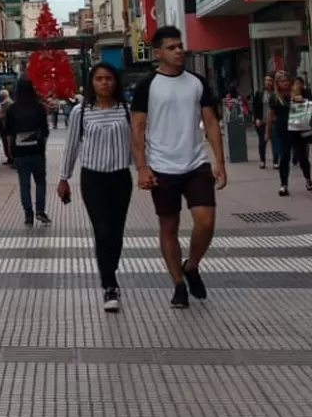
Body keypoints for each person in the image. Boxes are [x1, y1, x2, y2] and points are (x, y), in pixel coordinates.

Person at [130, 26, 226, 310]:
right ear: (158, 52)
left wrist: (219, 160)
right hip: (161, 167)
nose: (179, 51)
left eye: (180, 45)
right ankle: (178, 284)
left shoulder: (197, 82)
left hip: (195, 163)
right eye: (171, 47)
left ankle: (192, 265)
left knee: (206, 222)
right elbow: (137, 128)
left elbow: (210, 123)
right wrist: (142, 167)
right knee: (169, 226)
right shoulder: (147, 85)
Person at [59, 62, 132, 312]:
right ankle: (109, 284)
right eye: (99, 79)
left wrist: (148, 169)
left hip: (121, 178)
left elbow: (140, 143)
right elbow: (71, 146)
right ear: (92, 82)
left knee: (117, 232)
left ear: (115, 82)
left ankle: (110, 272)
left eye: (109, 78)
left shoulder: (126, 110)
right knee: (103, 230)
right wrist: (63, 177)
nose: (104, 83)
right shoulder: (81, 112)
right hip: (93, 179)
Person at [0, 77, 51, 227]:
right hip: (37, 151)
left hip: (20, 152)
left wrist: (10, 149)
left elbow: (9, 132)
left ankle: (28, 213)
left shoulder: (13, 109)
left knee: (24, 183)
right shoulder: (39, 108)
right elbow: (45, 130)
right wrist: (42, 145)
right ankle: (40, 211)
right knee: (40, 181)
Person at [264, 72, 312, 195]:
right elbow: (270, 115)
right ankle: (283, 184)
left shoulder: (296, 94)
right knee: (284, 157)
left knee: (302, 156)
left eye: (287, 80)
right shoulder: (275, 97)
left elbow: (308, 108)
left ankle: (308, 179)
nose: (285, 83)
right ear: (277, 83)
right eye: (282, 81)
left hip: (297, 129)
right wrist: (267, 132)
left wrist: (300, 101)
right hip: (282, 130)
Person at [250, 87, 268, 169]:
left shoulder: (276, 93)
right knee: (262, 141)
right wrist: (257, 118)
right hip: (262, 121)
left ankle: (276, 160)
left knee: (276, 142)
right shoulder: (260, 93)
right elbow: (255, 105)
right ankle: (262, 160)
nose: (268, 82)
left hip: (274, 121)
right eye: (267, 80)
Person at [0, 88, 14, 166]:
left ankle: (11, 158)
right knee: (6, 143)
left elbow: (5, 114)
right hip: (5, 125)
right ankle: (9, 158)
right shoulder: (7, 102)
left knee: (8, 143)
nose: (0, 97)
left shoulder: (7, 103)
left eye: (1, 95)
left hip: (6, 125)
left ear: (4, 95)